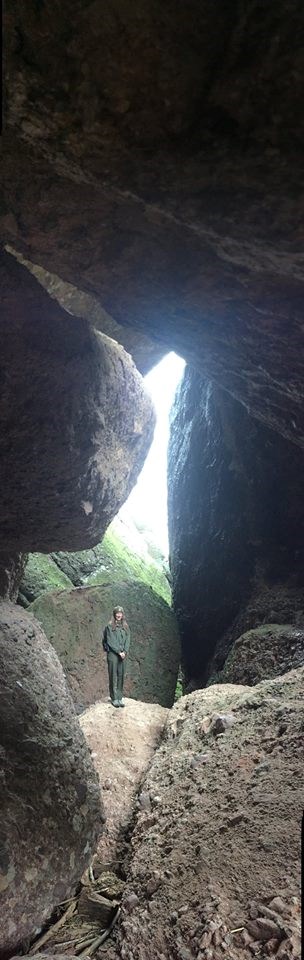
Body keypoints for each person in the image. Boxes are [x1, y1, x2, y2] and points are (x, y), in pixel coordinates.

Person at [102, 606, 130, 708]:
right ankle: (114, 698)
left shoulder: (126, 626)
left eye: (121, 613)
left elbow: (128, 639)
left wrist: (125, 651)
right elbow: (110, 641)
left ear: (123, 615)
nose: (119, 615)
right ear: (114, 614)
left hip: (123, 654)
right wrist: (119, 652)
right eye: (117, 613)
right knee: (113, 675)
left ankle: (119, 697)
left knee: (121, 675)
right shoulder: (110, 626)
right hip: (113, 654)